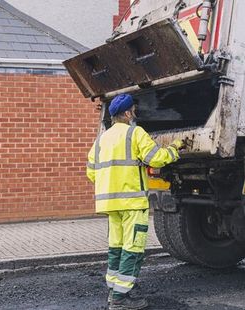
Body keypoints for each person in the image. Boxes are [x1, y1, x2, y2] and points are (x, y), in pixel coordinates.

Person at [86, 93, 185, 309]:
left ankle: (114, 293)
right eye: (133, 111)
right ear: (128, 113)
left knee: (116, 248)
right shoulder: (135, 133)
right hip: (132, 202)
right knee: (133, 249)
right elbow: (157, 158)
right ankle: (121, 300)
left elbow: (92, 173)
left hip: (110, 204)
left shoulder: (101, 139)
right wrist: (175, 149)